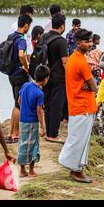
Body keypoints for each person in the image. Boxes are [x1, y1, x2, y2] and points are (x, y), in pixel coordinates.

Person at [59, 29, 98, 183]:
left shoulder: (72, 59)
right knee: (78, 140)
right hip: (83, 106)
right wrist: (90, 86)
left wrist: (88, 85)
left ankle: (77, 168)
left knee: (78, 138)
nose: (89, 44)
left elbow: (88, 84)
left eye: (90, 41)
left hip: (77, 104)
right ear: (78, 42)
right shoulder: (81, 61)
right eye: (86, 41)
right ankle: (75, 169)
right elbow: (94, 87)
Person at [17, 65, 49, 177]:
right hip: (32, 121)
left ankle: (22, 169)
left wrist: (24, 110)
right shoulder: (39, 93)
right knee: (33, 144)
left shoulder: (26, 85)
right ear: (45, 79)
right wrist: (42, 127)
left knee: (23, 143)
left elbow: (19, 100)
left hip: (22, 119)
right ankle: (30, 170)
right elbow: (39, 111)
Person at [42, 13, 69, 143]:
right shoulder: (61, 41)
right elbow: (65, 62)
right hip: (58, 78)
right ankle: (53, 135)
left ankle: (48, 132)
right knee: (57, 106)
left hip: (45, 77)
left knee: (47, 105)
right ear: (62, 26)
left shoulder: (44, 37)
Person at [6, 14, 33, 144]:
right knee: (18, 104)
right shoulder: (21, 39)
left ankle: (11, 132)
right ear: (26, 25)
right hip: (19, 74)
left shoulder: (11, 37)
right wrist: (26, 66)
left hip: (11, 74)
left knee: (15, 102)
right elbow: (21, 54)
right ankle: (16, 134)